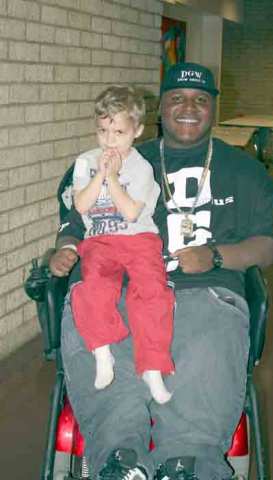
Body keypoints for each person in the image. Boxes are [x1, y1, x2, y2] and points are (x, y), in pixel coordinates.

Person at [50, 62, 273, 480]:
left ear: (213, 107)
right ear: (160, 110)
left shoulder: (246, 172)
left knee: (205, 341)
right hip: (117, 281)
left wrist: (215, 256)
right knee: (93, 320)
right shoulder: (114, 159)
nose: (188, 108)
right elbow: (73, 221)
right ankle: (120, 461)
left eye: (200, 100)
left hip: (206, 288)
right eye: (177, 98)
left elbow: (267, 245)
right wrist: (65, 248)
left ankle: (187, 462)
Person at [70, 86, 175, 404]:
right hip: (100, 240)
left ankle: (152, 367)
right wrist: (99, 175)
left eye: (118, 131)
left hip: (138, 239)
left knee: (152, 293)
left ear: (137, 131)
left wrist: (113, 178)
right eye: (103, 131)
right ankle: (103, 354)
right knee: (92, 289)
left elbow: (131, 212)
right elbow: (82, 206)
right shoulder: (85, 162)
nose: (109, 140)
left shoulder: (141, 167)